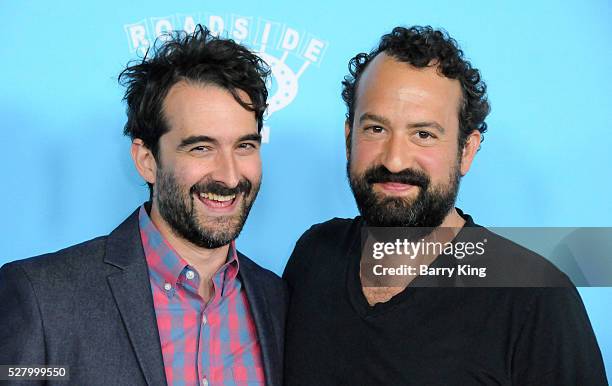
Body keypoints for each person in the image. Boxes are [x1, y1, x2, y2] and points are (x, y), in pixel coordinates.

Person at [283, 26, 607, 385]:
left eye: (423, 134)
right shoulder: (314, 256)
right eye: (375, 129)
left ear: (466, 150)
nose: (394, 160)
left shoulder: (535, 296)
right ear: (349, 139)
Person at [0, 25, 286, 386]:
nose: (229, 176)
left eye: (245, 146)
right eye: (201, 147)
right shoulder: (44, 298)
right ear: (147, 160)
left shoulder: (277, 300)